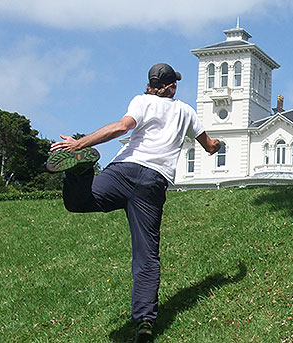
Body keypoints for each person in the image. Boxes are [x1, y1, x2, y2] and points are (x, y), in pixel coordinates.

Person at [46, 63, 220, 342]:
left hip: (123, 170)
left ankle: (81, 170)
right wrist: (218, 145)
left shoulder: (141, 101)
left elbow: (122, 127)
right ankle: (145, 324)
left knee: (79, 202)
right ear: (172, 86)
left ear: (152, 84)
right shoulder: (186, 112)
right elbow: (209, 146)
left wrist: (80, 143)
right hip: (152, 183)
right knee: (146, 255)